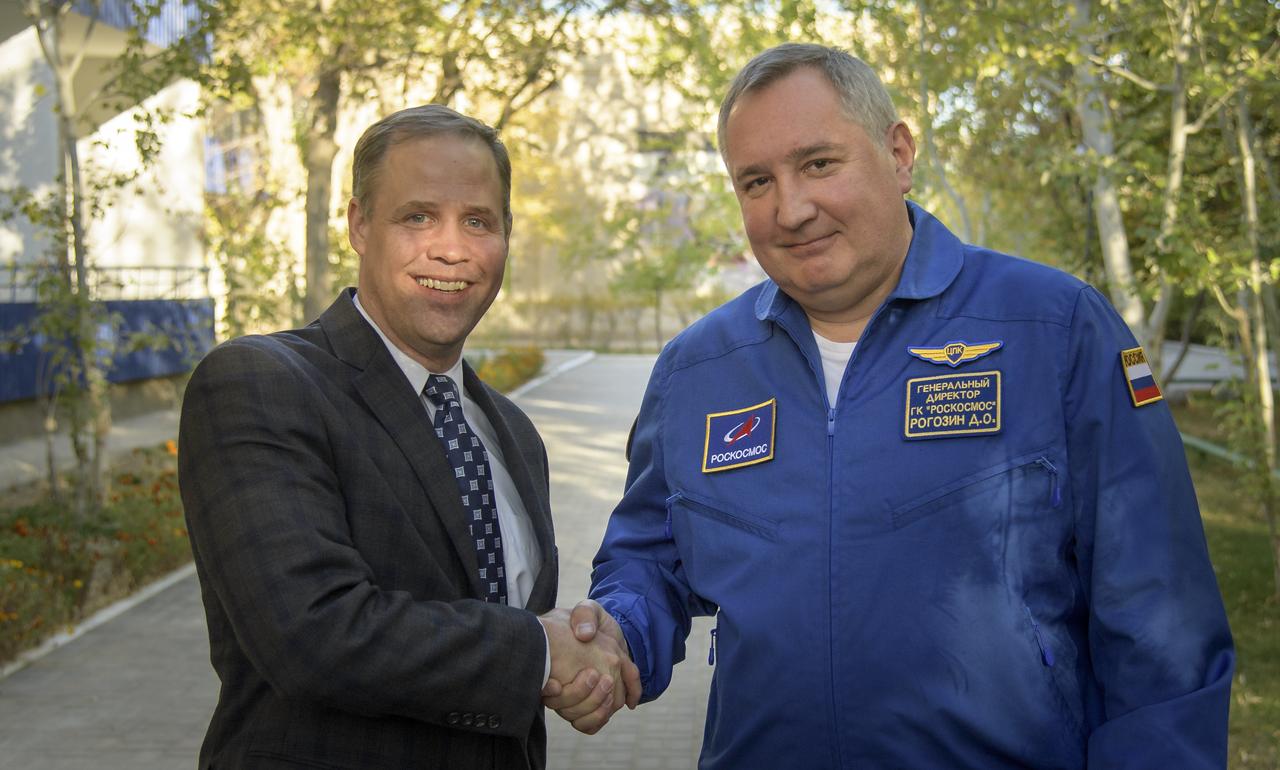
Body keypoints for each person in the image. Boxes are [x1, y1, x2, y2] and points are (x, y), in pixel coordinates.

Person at [558, 43, 1235, 768]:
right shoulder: (698, 369)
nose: (792, 208)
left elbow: (1159, 622)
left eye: (819, 164)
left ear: (899, 153)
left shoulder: (1053, 328)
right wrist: (617, 636)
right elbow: (648, 557)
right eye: (756, 181)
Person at [179, 104, 637, 770]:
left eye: (477, 221)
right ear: (360, 225)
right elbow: (312, 635)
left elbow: (492, 669)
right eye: (417, 216)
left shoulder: (512, 433)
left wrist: (581, 670)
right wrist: (540, 653)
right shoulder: (260, 384)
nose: (451, 248)